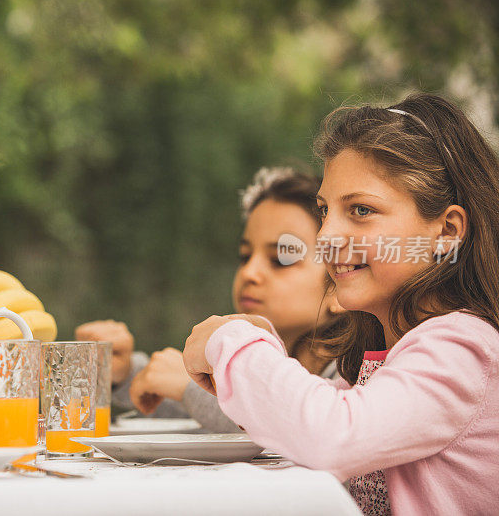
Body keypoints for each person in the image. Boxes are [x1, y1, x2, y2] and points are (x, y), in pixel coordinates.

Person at [183, 93, 499, 515]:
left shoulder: (462, 347)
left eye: (361, 210)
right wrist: (262, 357)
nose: (327, 235)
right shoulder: (393, 354)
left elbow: (333, 435)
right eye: (324, 210)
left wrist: (233, 342)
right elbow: (316, 417)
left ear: (446, 231)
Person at [76, 168, 346, 432]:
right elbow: (203, 407)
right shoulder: (244, 359)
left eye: (280, 260)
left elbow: (289, 427)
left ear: (340, 280)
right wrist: (129, 374)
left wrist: (189, 386)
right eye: (244, 256)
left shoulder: (355, 374)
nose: (249, 273)